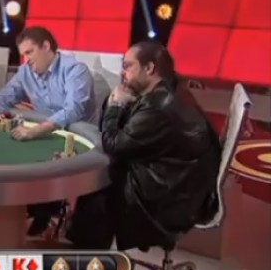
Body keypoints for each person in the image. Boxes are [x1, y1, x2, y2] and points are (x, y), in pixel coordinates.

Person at [66, 42, 221, 250]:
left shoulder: (160, 107)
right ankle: (85, 247)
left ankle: (86, 255)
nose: (122, 73)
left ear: (149, 68)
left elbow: (114, 144)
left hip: (171, 198)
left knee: (99, 181)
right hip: (181, 183)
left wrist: (115, 105)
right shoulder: (170, 89)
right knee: (106, 173)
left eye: (128, 66)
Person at [0, 26, 97, 236]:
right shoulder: (25, 72)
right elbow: (6, 96)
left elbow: (74, 110)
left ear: (46, 46)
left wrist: (36, 131)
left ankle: (42, 215)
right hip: (45, 134)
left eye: (30, 52)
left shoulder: (75, 69)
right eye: (23, 55)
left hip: (77, 141)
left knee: (47, 165)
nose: (26, 60)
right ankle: (17, 214)